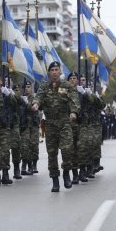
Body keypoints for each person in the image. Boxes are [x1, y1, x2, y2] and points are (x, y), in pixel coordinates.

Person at [32, 61, 80, 192]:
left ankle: (66, 173)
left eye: (56, 69)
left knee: (67, 150)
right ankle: (55, 180)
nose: (54, 72)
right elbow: (39, 97)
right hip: (51, 124)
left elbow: (74, 100)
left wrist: (73, 112)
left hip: (64, 123)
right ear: (49, 72)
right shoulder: (44, 86)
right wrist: (36, 104)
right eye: (52, 70)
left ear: (60, 71)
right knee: (52, 154)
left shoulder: (67, 85)